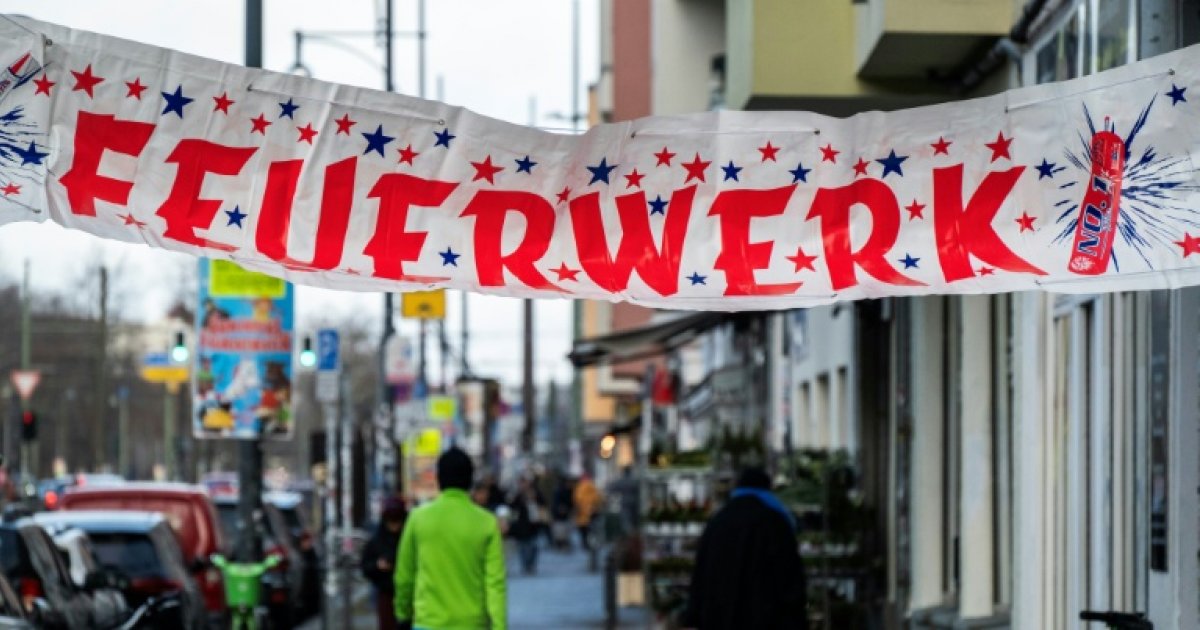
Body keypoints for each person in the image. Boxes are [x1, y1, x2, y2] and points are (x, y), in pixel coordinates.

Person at [394, 448, 506, 630]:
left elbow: (404, 576)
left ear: (438, 478)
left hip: (428, 622)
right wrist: (499, 626)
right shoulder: (487, 523)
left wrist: (403, 614)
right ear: (470, 481)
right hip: (472, 624)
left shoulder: (417, 519)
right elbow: (495, 583)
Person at [683, 467, 807, 630]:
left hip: (720, 617)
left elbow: (701, 572)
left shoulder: (718, 521)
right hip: (765, 619)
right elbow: (789, 576)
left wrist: (694, 616)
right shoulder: (775, 522)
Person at [361, 497, 408, 630]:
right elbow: (366, 567)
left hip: (409, 594)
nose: (394, 525)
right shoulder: (377, 539)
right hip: (386, 593)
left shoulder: (409, 537)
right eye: (391, 521)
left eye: (397, 520)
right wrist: (378, 566)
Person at [508, 477, 544, 574]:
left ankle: (531, 564)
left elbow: (543, 505)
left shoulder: (536, 493)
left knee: (533, 546)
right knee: (523, 547)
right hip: (522, 526)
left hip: (534, 525)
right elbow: (512, 508)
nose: (523, 485)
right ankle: (525, 565)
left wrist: (534, 499)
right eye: (521, 483)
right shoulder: (518, 496)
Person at [572, 474, 603, 551]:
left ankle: (585, 544)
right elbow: (598, 499)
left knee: (583, 531)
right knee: (592, 530)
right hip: (593, 512)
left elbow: (576, 501)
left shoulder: (579, 488)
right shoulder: (593, 488)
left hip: (582, 514)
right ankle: (592, 544)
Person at [550, 477, 574, 550]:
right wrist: (560, 508)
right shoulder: (559, 491)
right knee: (560, 531)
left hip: (565, 515)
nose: (570, 484)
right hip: (559, 516)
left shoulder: (569, 491)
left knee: (565, 531)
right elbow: (556, 503)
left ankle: (563, 544)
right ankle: (560, 544)